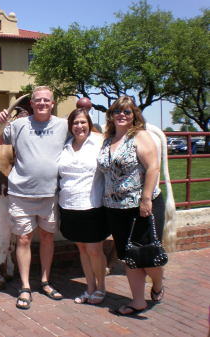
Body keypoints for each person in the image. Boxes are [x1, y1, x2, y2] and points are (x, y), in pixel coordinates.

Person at [0, 86, 68, 310]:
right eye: (38, 100)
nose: (42, 103)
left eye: (47, 100)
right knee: (24, 239)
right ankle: (25, 287)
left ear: (52, 104)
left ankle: (45, 281)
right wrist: (0, 123)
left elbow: (83, 138)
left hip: (50, 193)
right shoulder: (18, 125)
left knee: (47, 238)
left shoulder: (64, 125)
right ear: (32, 104)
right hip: (21, 193)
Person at [97, 96, 166, 316]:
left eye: (127, 112)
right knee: (129, 256)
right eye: (117, 111)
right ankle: (137, 301)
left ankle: (157, 285)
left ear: (134, 115)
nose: (122, 115)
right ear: (111, 115)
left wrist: (146, 199)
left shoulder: (140, 136)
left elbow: (153, 167)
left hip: (142, 206)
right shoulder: (108, 140)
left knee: (148, 255)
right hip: (114, 209)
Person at [57, 108, 109, 305]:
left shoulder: (99, 142)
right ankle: (89, 287)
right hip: (69, 205)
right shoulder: (65, 146)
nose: (79, 126)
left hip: (92, 205)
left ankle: (101, 287)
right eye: (75, 123)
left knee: (95, 250)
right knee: (82, 249)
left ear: (89, 124)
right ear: (70, 126)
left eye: (83, 122)